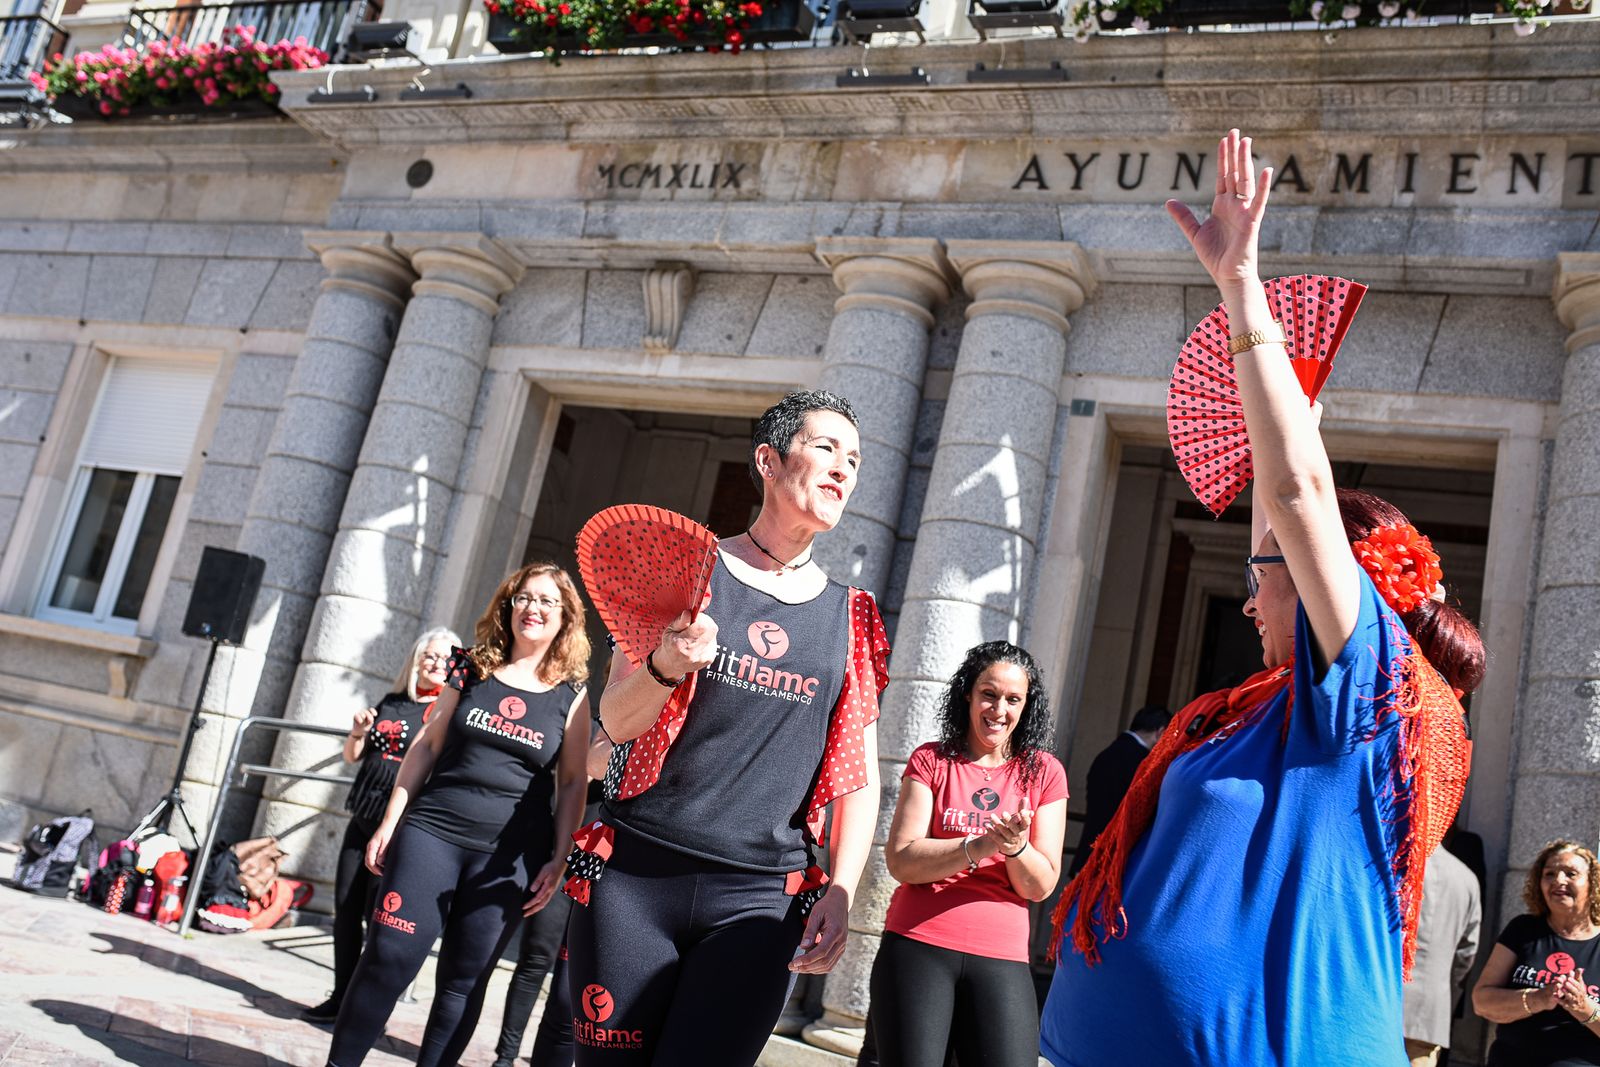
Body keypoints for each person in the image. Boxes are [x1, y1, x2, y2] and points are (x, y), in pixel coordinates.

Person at [1040, 129, 1483, 1065]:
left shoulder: (1373, 701)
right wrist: (1289, 423)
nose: (1246, 601)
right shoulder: (1267, 707)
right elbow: (1278, 517)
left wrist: (1242, 289)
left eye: (1263, 577)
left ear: (1345, 586)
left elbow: (1297, 501)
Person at [564, 389, 891, 1066]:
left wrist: (844, 886)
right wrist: (663, 663)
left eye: (854, 460)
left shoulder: (850, 615)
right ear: (769, 460)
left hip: (760, 898)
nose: (842, 470)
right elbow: (615, 724)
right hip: (635, 875)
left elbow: (858, 774)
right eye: (825, 448)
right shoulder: (689, 571)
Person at [325, 562, 593, 1067]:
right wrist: (390, 820)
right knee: (388, 958)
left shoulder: (571, 695)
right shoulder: (470, 666)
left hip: (508, 860)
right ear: (508, 606)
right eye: (523, 598)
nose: (532, 609)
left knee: (463, 982)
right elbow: (426, 746)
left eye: (546, 602)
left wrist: (560, 857)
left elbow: (574, 780)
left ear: (565, 619)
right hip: (433, 834)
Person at [871, 640, 1068, 1067]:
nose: (999, 709)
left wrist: (1016, 848)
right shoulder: (931, 760)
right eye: (989, 694)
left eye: (1013, 699)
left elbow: (1040, 886)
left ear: (1026, 706)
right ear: (968, 694)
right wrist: (980, 846)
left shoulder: (1044, 772)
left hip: (1002, 954)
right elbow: (901, 859)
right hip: (917, 944)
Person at [302, 626, 462, 1024]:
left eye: (446, 658)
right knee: (345, 908)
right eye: (430, 655)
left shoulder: (447, 710)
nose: (436, 664)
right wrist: (357, 732)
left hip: (402, 826)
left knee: (381, 918)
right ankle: (340, 996)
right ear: (416, 659)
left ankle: (364, 1005)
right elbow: (354, 755)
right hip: (363, 816)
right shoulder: (393, 701)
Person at [490, 727, 613, 1067]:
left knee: (570, 982)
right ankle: (506, 1056)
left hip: (608, 871)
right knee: (534, 959)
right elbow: (575, 781)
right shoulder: (608, 720)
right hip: (569, 856)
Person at [1472, 839, 1600, 1066]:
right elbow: (1481, 1001)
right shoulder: (1523, 930)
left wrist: (1583, 1007)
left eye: (1570, 874)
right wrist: (1538, 998)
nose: (1558, 881)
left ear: (1593, 884)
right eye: (1549, 874)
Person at [1066, 704, 1170, 880]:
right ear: (1160, 732)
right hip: (1114, 861)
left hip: (1087, 853)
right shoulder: (1143, 764)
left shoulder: (1107, 753)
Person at [1404, 844, 1481, 1066]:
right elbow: (1466, 954)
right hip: (1429, 1014)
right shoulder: (1466, 877)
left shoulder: (1391, 862)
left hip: (1377, 1006)